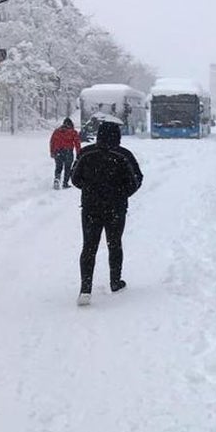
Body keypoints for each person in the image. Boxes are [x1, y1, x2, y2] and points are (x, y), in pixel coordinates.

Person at [68, 121, 143, 306]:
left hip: (90, 208)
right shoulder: (123, 155)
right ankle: (115, 281)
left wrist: (89, 190)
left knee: (89, 247)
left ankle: (85, 289)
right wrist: (122, 194)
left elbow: (75, 178)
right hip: (116, 208)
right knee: (115, 244)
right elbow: (137, 179)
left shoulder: (86, 153)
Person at [49, 117, 82, 190]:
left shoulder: (57, 131)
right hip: (68, 152)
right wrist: (78, 153)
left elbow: (52, 142)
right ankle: (65, 183)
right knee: (68, 169)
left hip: (58, 152)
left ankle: (57, 179)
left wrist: (52, 152)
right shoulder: (73, 132)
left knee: (58, 167)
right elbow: (77, 143)